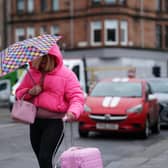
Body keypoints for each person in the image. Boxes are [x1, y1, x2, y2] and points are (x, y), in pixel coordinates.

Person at [15, 44, 85, 168]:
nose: (40, 65)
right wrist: (30, 92)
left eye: (43, 62)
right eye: (38, 61)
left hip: (55, 123)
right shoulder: (32, 73)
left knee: (45, 157)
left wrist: (73, 112)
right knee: (41, 159)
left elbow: (77, 97)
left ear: (51, 58)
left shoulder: (67, 75)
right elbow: (19, 94)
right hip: (35, 122)